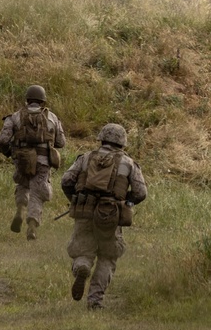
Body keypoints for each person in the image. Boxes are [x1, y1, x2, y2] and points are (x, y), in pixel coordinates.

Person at [60, 123, 148, 310]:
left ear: (101, 138)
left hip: (84, 212)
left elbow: (66, 181)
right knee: (108, 257)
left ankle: (82, 267)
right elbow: (140, 192)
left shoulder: (85, 158)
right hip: (110, 215)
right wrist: (127, 203)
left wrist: (75, 201)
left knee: (82, 251)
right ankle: (95, 301)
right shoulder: (128, 163)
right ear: (122, 142)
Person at [0, 84, 66, 240]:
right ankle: (32, 226)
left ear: (27, 100)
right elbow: (61, 142)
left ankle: (20, 209)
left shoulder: (15, 116)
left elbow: (3, 140)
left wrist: (8, 152)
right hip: (43, 162)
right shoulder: (52, 117)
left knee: (22, 185)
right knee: (37, 192)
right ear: (43, 101)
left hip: (21, 159)